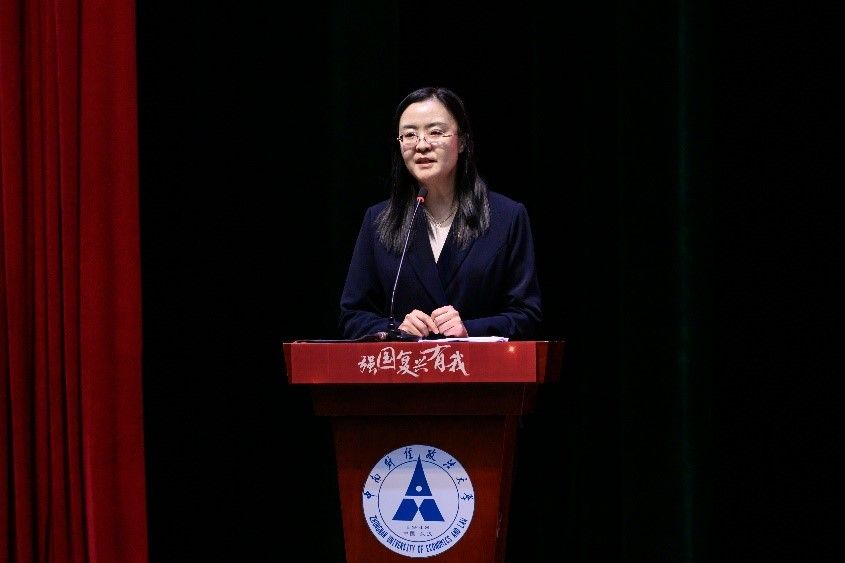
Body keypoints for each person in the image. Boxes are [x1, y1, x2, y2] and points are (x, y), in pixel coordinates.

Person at [339, 86, 542, 340]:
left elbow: (527, 315)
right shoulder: (377, 221)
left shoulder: (506, 217)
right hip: (407, 365)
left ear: (462, 141)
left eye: (435, 132)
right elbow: (353, 316)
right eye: (409, 135)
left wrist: (469, 330)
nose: (421, 145)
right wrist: (396, 330)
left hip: (479, 365)